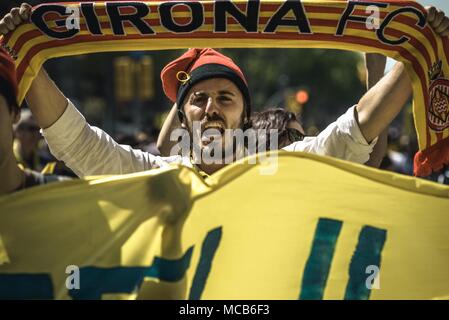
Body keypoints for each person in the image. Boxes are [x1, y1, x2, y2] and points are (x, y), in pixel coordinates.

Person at [1, 4, 449, 178]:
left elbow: (355, 132)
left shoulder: (279, 168)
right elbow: (77, 143)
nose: (211, 107)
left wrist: (415, 54)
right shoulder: (156, 172)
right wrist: (29, 59)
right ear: (183, 116)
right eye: (198, 99)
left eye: (225, 98)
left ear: (245, 118)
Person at [0, 47, 69, 195]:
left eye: (33, 129)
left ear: (14, 113)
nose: (31, 135)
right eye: (26, 129)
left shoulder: (63, 199)